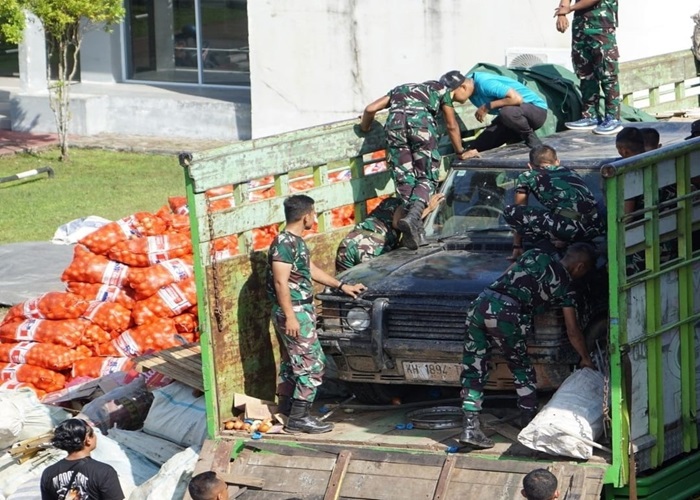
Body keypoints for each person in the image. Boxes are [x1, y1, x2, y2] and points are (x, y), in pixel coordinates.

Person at [459, 243, 596, 449]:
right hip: (507, 314)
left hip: (481, 304)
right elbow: (572, 331)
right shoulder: (565, 287)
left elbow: (506, 276)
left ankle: (470, 428)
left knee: (474, 366)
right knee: (521, 368)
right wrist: (585, 358)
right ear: (580, 267)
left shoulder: (536, 253)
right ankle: (528, 422)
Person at [268, 195, 366, 433]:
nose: (315, 217)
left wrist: (341, 286)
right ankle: (299, 418)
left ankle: (289, 409)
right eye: (314, 214)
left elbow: (308, 270)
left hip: (302, 309)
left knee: (295, 362)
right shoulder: (283, 244)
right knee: (313, 364)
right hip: (295, 311)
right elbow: (281, 283)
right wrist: (291, 316)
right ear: (306, 216)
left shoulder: (296, 242)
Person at [360, 71, 472, 251]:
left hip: (395, 127)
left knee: (406, 178)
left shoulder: (401, 89)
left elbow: (370, 109)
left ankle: (414, 230)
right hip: (421, 126)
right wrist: (460, 151)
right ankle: (413, 218)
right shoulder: (442, 91)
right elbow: (451, 125)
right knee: (426, 177)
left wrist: (364, 127)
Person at [503, 145, 605, 261]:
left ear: (530, 166)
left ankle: (551, 252)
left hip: (572, 229)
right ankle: (564, 242)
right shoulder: (570, 171)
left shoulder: (527, 176)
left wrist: (517, 245)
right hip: (597, 227)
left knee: (510, 212)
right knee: (560, 212)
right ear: (558, 162)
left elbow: (519, 210)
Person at [556, 0, 622, 136]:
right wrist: (562, 13)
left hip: (601, 27)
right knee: (585, 74)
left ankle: (613, 118)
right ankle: (590, 116)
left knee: (607, 74)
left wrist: (570, 8)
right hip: (581, 27)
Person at [335, 193, 445, 272]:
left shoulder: (389, 201)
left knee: (345, 286)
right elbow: (400, 223)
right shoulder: (406, 205)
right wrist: (428, 209)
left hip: (349, 242)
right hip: (371, 245)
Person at [459, 71, 549, 158]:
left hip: (536, 111)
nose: (454, 98)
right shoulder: (469, 85)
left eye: (454, 94)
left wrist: (486, 106)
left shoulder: (485, 83)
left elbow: (516, 99)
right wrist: (473, 149)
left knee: (507, 112)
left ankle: (531, 138)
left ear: (463, 87)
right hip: (513, 120)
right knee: (479, 144)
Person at [40, 418, 124, 500]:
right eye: (93, 434)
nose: (96, 437)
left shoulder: (48, 473)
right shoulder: (104, 471)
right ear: (88, 440)